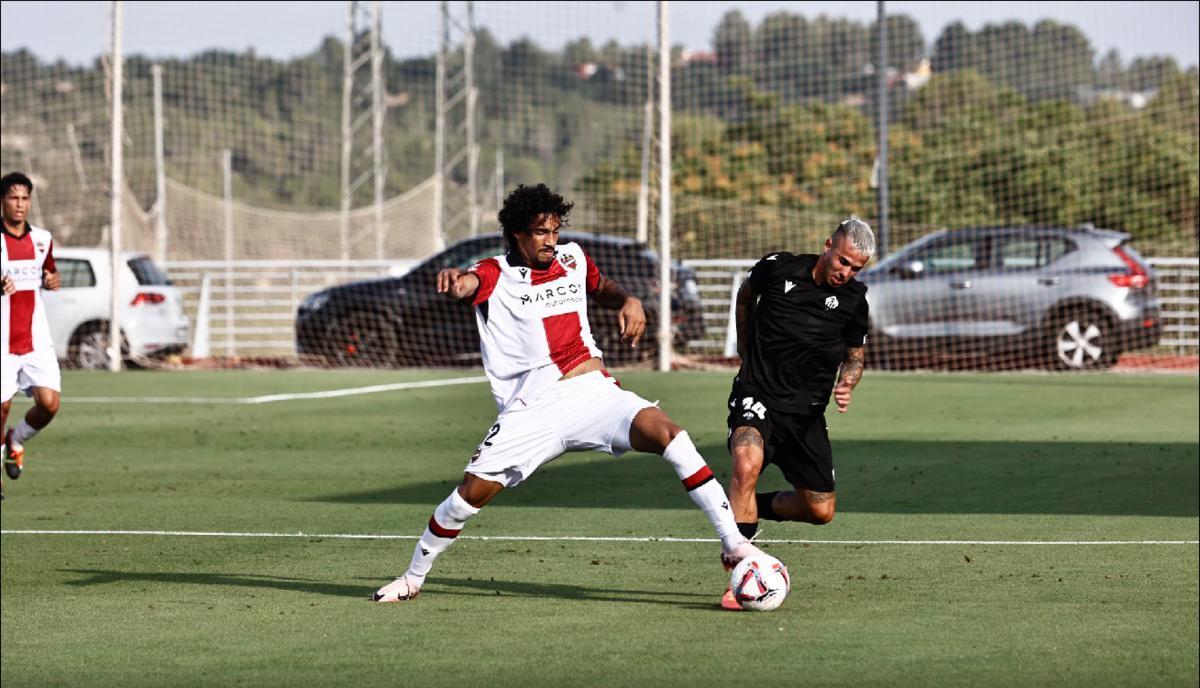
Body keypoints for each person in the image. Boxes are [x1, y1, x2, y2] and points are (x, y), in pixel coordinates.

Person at [373, 183, 763, 602]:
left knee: (673, 436)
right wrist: (455, 282)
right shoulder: (494, 273)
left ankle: (733, 544)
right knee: (468, 497)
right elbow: (468, 284)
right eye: (541, 232)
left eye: (555, 230)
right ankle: (413, 577)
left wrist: (627, 300)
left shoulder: (573, 258)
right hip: (533, 409)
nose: (551, 241)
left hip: (594, 395)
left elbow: (602, 287)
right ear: (518, 234)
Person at [720, 217, 875, 609]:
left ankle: (751, 507)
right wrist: (744, 345)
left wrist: (848, 381)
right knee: (745, 462)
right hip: (757, 395)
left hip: (805, 415)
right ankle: (741, 571)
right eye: (843, 261)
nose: (846, 272)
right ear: (828, 245)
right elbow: (745, 294)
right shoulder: (779, 267)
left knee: (820, 510)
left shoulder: (855, 302)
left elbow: (855, 357)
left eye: (855, 268)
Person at [1, 171, 63, 500]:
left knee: (50, 405)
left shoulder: (42, 239)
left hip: (36, 340)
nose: (20, 204)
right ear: (2, 201)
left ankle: (17, 439)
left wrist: (53, 281)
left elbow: (50, 273)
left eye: (25, 198)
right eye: (13, 197)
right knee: (1, 406)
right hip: (1, 343)